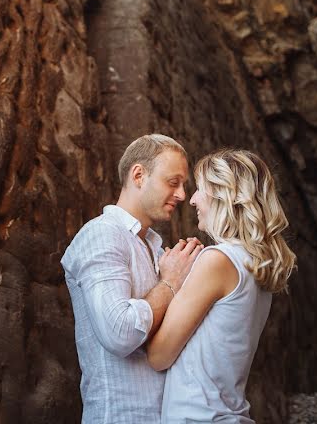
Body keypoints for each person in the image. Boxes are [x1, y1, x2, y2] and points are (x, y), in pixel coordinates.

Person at [61, 134, 204, 423]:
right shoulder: (101, 234)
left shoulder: (153, 246)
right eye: (173, 182)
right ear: (139, 175)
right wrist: (170, 283)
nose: (182, 195)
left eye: (183, 185)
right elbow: (120, 332)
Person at [147, 149, 296, 424]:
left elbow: (158, 356)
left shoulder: (218, 261)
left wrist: (169, 281)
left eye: (200, 190)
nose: (192, 200)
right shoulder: (255, 264)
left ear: (224, 195)